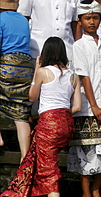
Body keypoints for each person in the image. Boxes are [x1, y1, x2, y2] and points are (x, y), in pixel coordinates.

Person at [0, 36, 82, 197]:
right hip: (66, 125)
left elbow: (32, 97)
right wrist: (61, 115)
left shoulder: (43, 72)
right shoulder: (73, 75)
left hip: (49, 125)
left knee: (49, 170)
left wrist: (37, 69)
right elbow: (77, 107)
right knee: (45, 161)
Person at [67, 0, 101, 196]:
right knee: (87, 150)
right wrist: (94, 105)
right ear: (80, 21)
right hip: (88, 105)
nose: (92, 21)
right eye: (87, 18)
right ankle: (85, 191)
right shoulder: (79, 45)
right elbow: (84, 77)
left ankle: (96, 188)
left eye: (95, 17)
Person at [0, 0, 34, 162]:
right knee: (21, 113)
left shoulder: (1, 20)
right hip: (27, 66)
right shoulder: (22, 19)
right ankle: (24, 155)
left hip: (8, 63)